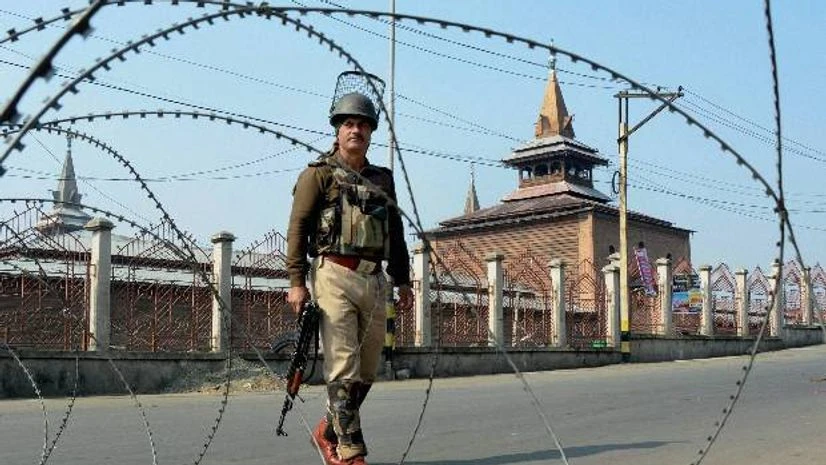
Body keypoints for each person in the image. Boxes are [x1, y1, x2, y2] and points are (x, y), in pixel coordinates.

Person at [286, 91, 413, 465]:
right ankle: (349, 451)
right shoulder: (318, 175)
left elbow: (395, 231)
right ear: (337, 131)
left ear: (371, 132)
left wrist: (403, 280)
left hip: (374, 281)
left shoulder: (382, 180)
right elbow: (297, 228)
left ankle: (328, 428)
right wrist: (296, 281)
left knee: (368, 369)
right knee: (342, 364)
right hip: (333, 275)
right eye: (348, 124)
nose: (355, 129)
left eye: (362, 124)